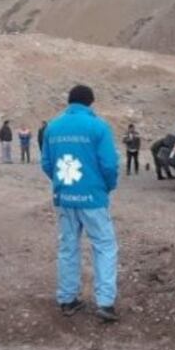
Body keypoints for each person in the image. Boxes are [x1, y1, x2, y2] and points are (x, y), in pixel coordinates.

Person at [41, 85, 120, 322]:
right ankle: (105, 303)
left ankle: (67, 299)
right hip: (93, 198)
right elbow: (109, 165)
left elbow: (46, 163)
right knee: (104, 246)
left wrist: (61, 183)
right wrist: (107, 186)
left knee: (68, 247)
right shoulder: (98, 127)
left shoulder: (52, 127)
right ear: (90, 103)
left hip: (65, 197)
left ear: (69, 102)